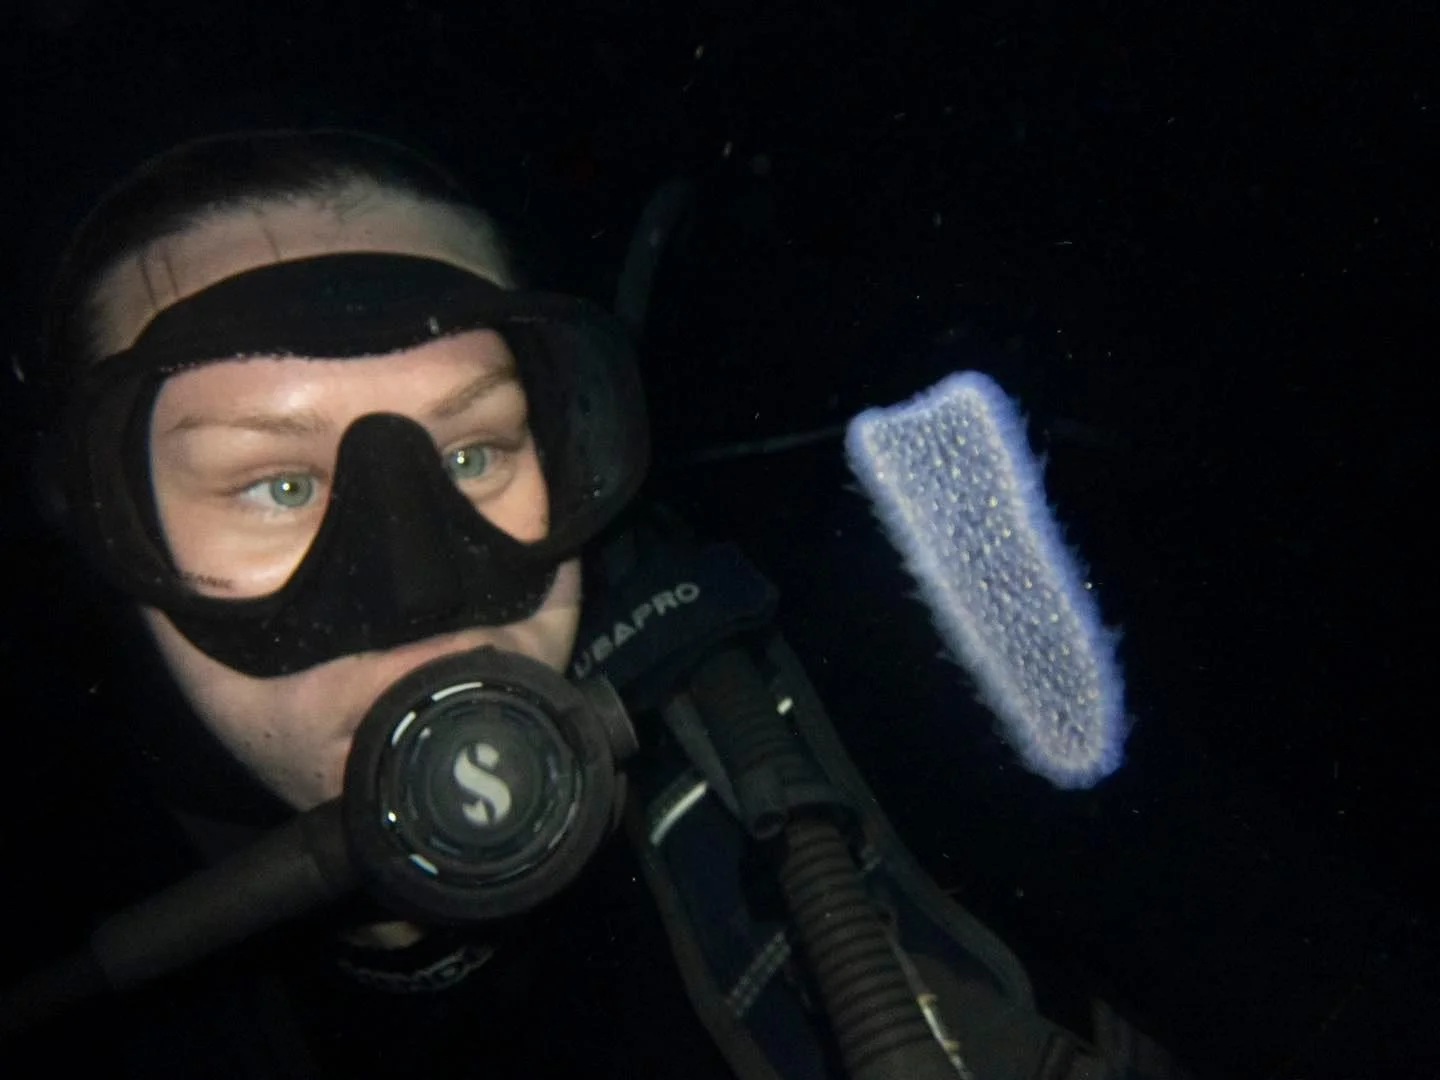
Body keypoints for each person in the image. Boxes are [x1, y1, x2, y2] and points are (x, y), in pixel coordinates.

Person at [3, 127, 1193, 1079]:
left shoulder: (820, 730)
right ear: (108, 540)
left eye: (473, 457)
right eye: (278, 483)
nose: (420, 593)